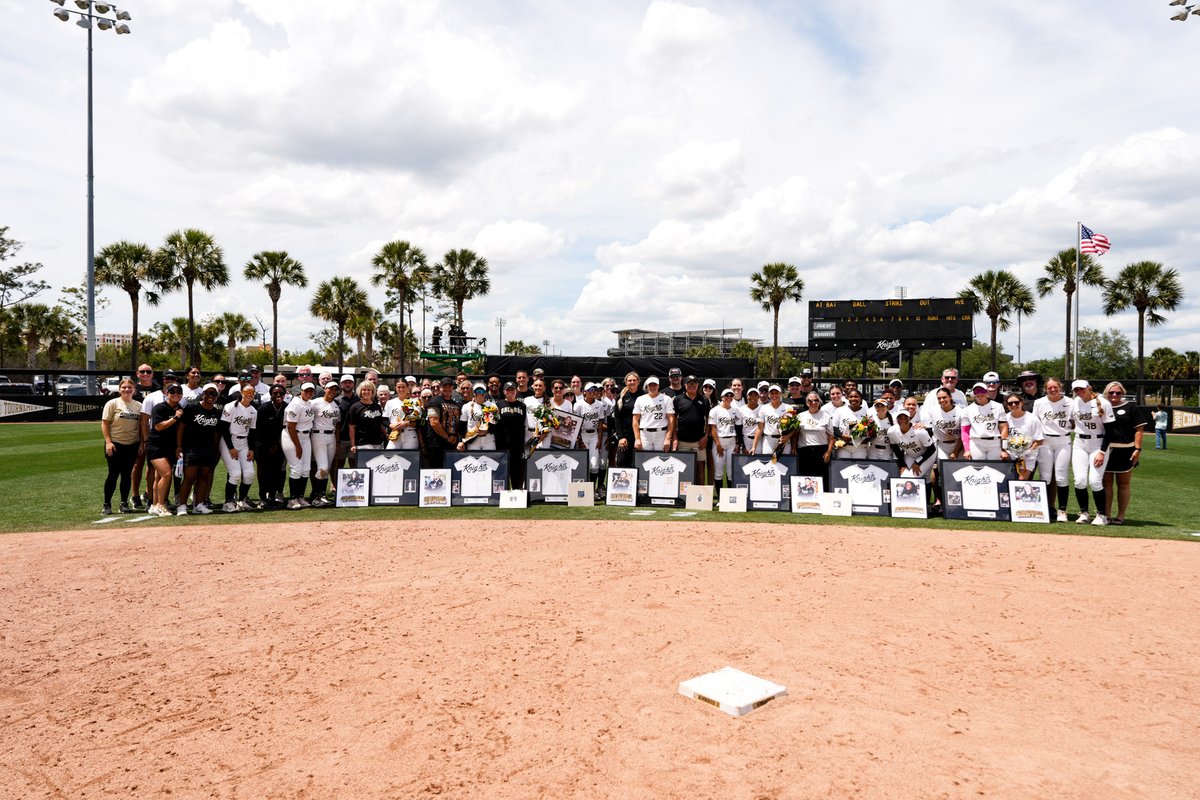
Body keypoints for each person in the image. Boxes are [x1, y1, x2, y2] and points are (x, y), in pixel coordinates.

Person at [1069, 379, 1115, 526]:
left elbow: (1111, 431)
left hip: (1098, 444)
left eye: (1082, 388)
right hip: (1079, 443)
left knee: (1095, 481)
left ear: (1089, 388)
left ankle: (1102, 515)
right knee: (1080, 480)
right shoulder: (1075, 402)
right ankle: (1084, 513)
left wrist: (1102, 451)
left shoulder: (1103, 403)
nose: (1079, 391)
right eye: (1076, 389)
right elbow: (1071, 421)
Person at [1100, 381, 1144, 526]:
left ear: (1122, 393)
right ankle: (1106, 515)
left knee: (1123, 484)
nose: (1114, 395)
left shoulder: (1131, 407)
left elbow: (1139, 430)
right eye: (1111, 392)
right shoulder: (1100, 406)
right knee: (1106, 483)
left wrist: (1137, 449)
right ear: (1106, 393)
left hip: (1126, 450)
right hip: (1104, 450)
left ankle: (1120, 516)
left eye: (1118, 392)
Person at [176, 383, 223, 515]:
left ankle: (199, 504)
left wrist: (215, 449)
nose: (210, 396)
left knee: (203, 477)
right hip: (191, 448)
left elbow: (216, 433)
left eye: (214, 394)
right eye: (208, 393)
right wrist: (179, 446)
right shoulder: (192, 407)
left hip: (208, 449)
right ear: (203, 393)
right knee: (189, 477)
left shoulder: (216, 412)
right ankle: (182, 505)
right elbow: (181, 427)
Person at [1033, 377, 1074, 522]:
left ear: (1060, 387)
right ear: (1045, 388)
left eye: (1055, 387)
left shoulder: (1070, 402)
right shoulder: (1039, 403)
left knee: (1061, 475)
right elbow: (1035, 423)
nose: (1052, 390)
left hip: (1063, 439)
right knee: (1045, 476)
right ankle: (1045, 508)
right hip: (1045, 440)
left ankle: (1062, 510)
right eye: (1049, 387)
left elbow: (1075, 421)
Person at [100, 377, 143, 515]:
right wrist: (108, 442)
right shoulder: (112, 403)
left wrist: (142, 443)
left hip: (132, 444)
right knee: (113, 474)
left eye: (130, 387)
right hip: (115, 444)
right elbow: (105, 423)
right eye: (124, 387)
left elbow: (141, 427)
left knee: (126, 475)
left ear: (134, 390)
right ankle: (107, 504)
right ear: (119, 389)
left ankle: (124, 503)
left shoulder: (138, 406)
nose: (127, 390)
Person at [145, 383, 184, 516]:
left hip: (170, 446)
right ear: (166, 394)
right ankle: (161, 505)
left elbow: (179, 429)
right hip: (156, 445)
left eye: (178, 391)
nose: (176, 394)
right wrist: (175, 417)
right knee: (167, 474)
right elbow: (158, 427)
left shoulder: (179, 408)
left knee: (159, 476)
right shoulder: (160, 408)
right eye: (172, 391)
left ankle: (155, 505)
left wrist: (178, 446)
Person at [218, 384, 258, 512]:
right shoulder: (231, 406)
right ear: (241, 392)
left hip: (244, 442)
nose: (249, 394)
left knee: (250, 474)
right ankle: (228, 502)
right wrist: (231, 448)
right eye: (247, 391)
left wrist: (251, 449)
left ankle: (242, 500)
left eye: (252, 392)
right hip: (229, 441)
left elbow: (252, 432)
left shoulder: (253, 410)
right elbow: (223, 428)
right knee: (235, 474)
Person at [282, 382, 317, 509]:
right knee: (296, 468)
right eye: (306, 390)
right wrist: (297, 445)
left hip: (305, 436)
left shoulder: (308, 403)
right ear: (301, 391)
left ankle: (300, 497)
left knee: (306, 469)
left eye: (311, 391)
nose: (309, 393)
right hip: (292, 436)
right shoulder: (296, 403)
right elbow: (291, 426)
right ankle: (292, 499)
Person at [309, 381, 343, 507]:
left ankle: (319, 495)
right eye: (331, 389)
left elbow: (337, 425)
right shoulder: (315, 402)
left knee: (327, 469)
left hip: (332, 436)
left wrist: (338, 442)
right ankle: (317, 495)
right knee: (322, 468)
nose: (333, 391)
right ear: (325, 388)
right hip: (318, 435)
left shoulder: (335, 405)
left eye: (335, 389)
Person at [672, 375, 711, 483]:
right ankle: (683, 497)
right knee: (683, 469)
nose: (692, 386)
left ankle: (700, 496)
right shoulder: (678, 399)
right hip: (682, 441)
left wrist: (706, 436)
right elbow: (673, 421)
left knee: (700, 469)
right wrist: (674, 437)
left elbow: (709, 420)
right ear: (685, 385)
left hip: (699, 442)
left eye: (694, 383)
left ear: (698, 385)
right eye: (689, 383)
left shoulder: (704, 400)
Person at [255, 385, 289, 509]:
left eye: (281, 393)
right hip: (262, 444)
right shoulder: (263, 409)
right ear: (271, 395)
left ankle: (273, 497)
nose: (278, 395)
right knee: (264, 472)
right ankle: (262, 498)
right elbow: (258, 430)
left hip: (279, 444)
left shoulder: (287, 407)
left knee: (276, 471)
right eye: (275, 393)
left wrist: (276, 444)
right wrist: (269, 445)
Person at [961, 381, 1008, 460]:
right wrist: (967, 450)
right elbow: (964, 431)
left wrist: (1004, 449)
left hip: (995, 443)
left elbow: (1004, 428)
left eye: (982, 391)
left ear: (986, 392)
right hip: (976, 443)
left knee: (995, 469)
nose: (979, 394)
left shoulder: (998, 406)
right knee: (978, 469)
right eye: (976, 391)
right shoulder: (967, 410)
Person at [1003, 392, 1043, 481]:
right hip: (1009, 457)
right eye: (1010, 403)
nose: (1013, 405)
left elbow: (1039, 440)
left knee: (1020, 482)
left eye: (1016, 402)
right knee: (1008, 482)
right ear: (1007, 406)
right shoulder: (1005, 419)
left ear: (1021, 402)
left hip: (1027, 458)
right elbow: (1003, 437)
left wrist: (1026, 453)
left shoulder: (1032, 419)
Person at [575, 382, 608, 489]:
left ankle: (592, 489)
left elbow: (600, 423)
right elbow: (576, 424)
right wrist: (579, 440)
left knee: (595, 465)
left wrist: (599, 439)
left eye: (594, 390)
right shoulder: (578, 405)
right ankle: (583, 489)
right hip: (583, 435)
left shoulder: (599, 405)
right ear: (584, 392)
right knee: (584, 464)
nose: (593, 392)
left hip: (594, 435)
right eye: (590, 390)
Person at [496, 381, 529, 487]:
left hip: (517, 442)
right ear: (504, 391)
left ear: (516, 391)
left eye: (512, 389)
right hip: (502, 441)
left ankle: (516, 490)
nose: (510, 391)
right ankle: (501, 491)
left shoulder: (522, 405)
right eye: (508, 389)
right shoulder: (498, 404)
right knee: (502, 467)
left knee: (516, 468)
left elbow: (524, 423)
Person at [887, 406, 935, 478]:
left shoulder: (919, 432)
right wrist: (902, 464)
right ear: (897, 419)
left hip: (927, 455)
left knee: (914, 476)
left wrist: (917, 462)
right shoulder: (892, 431)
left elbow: (932, 449)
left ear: (910, 419)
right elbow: (896, 449)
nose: (902, 420)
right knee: (903, 476)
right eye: (900, 418)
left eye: (905, 418)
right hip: (910, 454)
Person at [795, 391, 833, 478]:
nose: (813, 403)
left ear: (819, 402)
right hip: (804, 450)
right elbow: (796, 434)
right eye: (810, 401)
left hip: (821, 450)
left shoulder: (826, 416)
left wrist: (829, 451)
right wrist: (794, 447)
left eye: (816, 400)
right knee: (805, 477)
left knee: (822, 476)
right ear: (807, 402)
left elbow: (831, 436)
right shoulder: (800, 416)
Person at [425, 377, 461, 468]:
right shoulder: (434, 402)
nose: (447, 389)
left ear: (453, 388)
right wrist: (447, 437)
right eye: (445, 386)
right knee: (436, 471)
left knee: (451, 470)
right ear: (440, 388)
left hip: (452, 443)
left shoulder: (456, 404)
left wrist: (455, 438)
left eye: (450, 387)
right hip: (436, 444)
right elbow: (434, 423)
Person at [633, 376, 676, 451]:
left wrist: (668, 438)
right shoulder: (640, 399)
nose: (652, 387)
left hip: (661, 433)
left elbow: (671, 419)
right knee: (645, 460)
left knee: (660, 459)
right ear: (647, 386)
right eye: (650, 385)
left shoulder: (666, 399)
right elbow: (635, 420)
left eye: (655, 385)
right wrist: (637, 439)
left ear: (658, 385)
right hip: (645, 434)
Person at [348, 380, 386, 461]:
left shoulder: (377, 406)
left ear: (372, 392)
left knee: (376, 467)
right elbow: (352, 427)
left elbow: (380, 424)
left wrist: (387, 435)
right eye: (364, 390)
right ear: (360, 391)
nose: (366, 392)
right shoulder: (355, 407)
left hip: (377, 443)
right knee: (365, 468)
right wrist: (353, 444)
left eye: (369, 390)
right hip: (363, 443)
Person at [708, 388, 740, 487]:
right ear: (722, 397)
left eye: (731, 395)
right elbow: (713, 429)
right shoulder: (714, 410)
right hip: (719, 441)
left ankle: (729, 498)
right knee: (719, 472)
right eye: (727, 395)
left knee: (731, 472)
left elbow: (738, 428)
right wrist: (718, 444)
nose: (729, 397)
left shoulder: (735, 411)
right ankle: (720, 499)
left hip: (732, 442)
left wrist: (738, 443)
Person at [611, 372, 641, 467]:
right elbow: (618, 418)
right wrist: (621, 437)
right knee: (622, 462)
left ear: (638, 382)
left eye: (634, 380)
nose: (632, 382)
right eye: (629, 380)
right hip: (626, 436)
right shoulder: (621, 397)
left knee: (639, 463)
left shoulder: (644, 396)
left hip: (641, 436)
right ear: (626, 382)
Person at [752, 385, 792, 457]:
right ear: (768, 395)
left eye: (776, 393)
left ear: (780, 394)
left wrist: (788, 437)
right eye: (772, 393)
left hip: (785, 440)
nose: (774, 395)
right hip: (769, 440)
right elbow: (759, 428)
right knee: (768, 464)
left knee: (785, 464)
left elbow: (795, 428)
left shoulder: (788, 408)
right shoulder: (764, 408)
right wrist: (754, 446)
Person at [830, 387, 870, 460]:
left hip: (860, 447)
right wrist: (842, 435)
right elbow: (833, 427)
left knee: (859, 469)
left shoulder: (867, 413)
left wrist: (865, 437)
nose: (853, 399)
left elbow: (871, 430)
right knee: (843, 468)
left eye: (856, 396)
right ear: (848, 398)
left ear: (860, 398)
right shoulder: (840, 410)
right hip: (843, 446)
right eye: (851, 397)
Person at [458, 384, 498, 451]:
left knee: (490, 459)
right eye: (477, 391)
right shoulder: (467, 406)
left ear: (485, 393)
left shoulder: (492, 405)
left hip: (488, 439)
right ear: (473, 393)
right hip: (472, 439)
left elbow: (496, 423)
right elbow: (462, 425)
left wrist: (487, 430)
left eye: (481, 391)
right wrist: (461, 441)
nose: (479, 393)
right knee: (473, 460)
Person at [737, 387, 761, 455]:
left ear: (758, 397)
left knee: (759, 462)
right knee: (745, 463)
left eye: (755, 395)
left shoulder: (762, 408)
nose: (753, 397)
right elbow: (739, 428)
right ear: (747, 396)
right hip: (746, 439)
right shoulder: (741, 409)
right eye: (750, 395)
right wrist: (742, 444)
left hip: (759, 440)